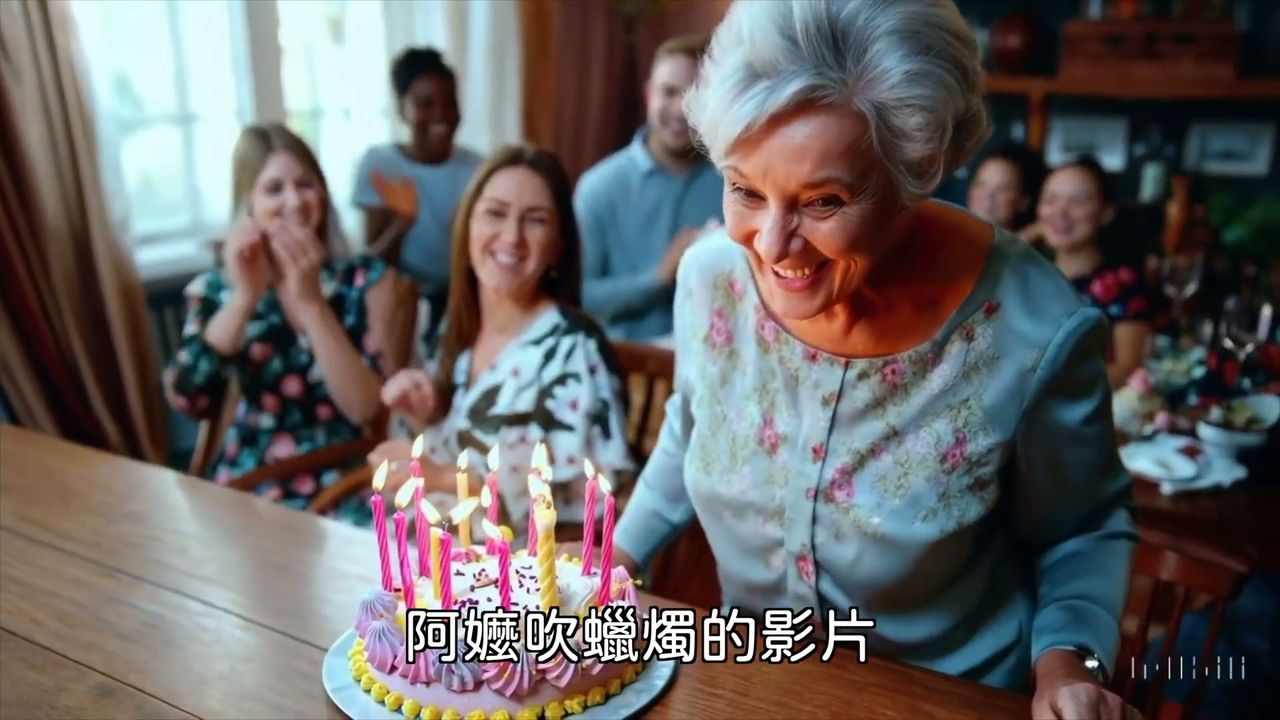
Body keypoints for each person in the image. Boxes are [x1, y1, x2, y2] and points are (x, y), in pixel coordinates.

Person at [607, 3, 1138, 719]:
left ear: (913, 176)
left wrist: (1068, 667)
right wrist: (613, 562)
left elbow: (1083, 527)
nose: (770, 243)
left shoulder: (1032, 331)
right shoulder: (711, 278)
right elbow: (695, 427)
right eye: (744, 189)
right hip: (753, 687)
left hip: (945, 701)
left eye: (823, 201)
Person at [368, 145, 635, 543]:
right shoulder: (459, 331)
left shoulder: (574, 349)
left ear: (558, 244)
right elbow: (465, 447)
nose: (512, 237)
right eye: (495, 213)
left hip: (510, 584)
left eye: (536, 220)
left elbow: (586, 517)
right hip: (420, 554)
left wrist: (440, 477)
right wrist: (423, 416)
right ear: (467, 225)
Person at [164, 123, 403, 519]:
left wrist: (312, 304)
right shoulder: (215, 290)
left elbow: (364, 409)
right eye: (274, 189)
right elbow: (188, 398)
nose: (294, 201)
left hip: (344, 475)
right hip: (252, 481)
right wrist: (245, 298)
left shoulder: (360, 280)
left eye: (305, 185)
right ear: (249, 203)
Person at [575, 33, 725, 341]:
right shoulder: (598, 188)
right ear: (648, 95)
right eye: (669, 92)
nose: (682, 109)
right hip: (626, 369)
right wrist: (657, 277)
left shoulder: (735, 183)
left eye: (698, 94)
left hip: (716, 371)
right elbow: (577, 295)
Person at [353, 46, 484, 345]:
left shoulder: (477, 168)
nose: (441, 115)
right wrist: (402, 223)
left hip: (460, 300)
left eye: (450, 103)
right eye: (425, 103)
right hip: (402, 303)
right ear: (402, 109)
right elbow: (369, 265)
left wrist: (468, 235)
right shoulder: (381, 164)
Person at [1039, 156, 1154, 389]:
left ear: (1106, 212)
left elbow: (1127, 368)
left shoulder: (1122, 285)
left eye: (1078, 202)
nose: (1060, 212)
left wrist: (1048, 395)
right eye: (1051, 199)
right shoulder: (1026, 276)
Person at [967, 141, 1046, 241]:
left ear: (1024, 200)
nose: (988, 196)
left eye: (1002, 188)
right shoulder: (950, 237)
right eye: (981, 184)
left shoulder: (1034, 253)